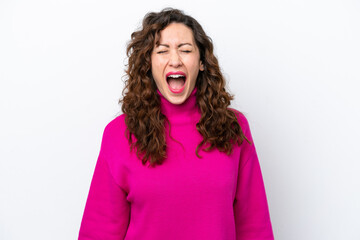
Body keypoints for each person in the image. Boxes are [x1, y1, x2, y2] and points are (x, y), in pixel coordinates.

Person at [79, 8, 274, 240]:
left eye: (185, 50)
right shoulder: (119, 134)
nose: (175, 60)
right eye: (162, 51)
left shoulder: (233, 128)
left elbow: (254, 226)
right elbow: (99, 230)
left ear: (201, 62)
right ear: (149, 65)